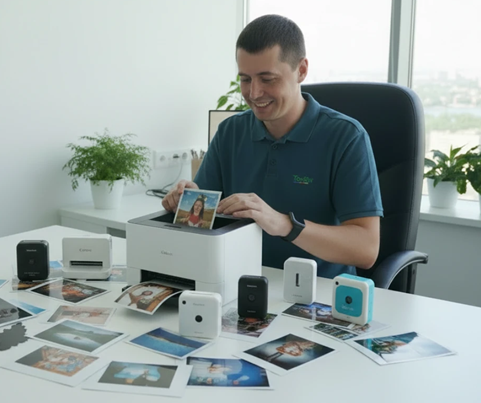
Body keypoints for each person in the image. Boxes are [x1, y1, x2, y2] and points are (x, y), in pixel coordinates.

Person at [162, 14, 382, 279]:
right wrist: (186, 200)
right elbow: (207, 209)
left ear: (301, 70)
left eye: (267, 79)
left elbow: (366, 249)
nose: (254, 93)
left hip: (317, 290)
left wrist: (284, 224)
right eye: (245, 79)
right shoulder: (230, 131)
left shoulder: (346, 137)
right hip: (239, 280)